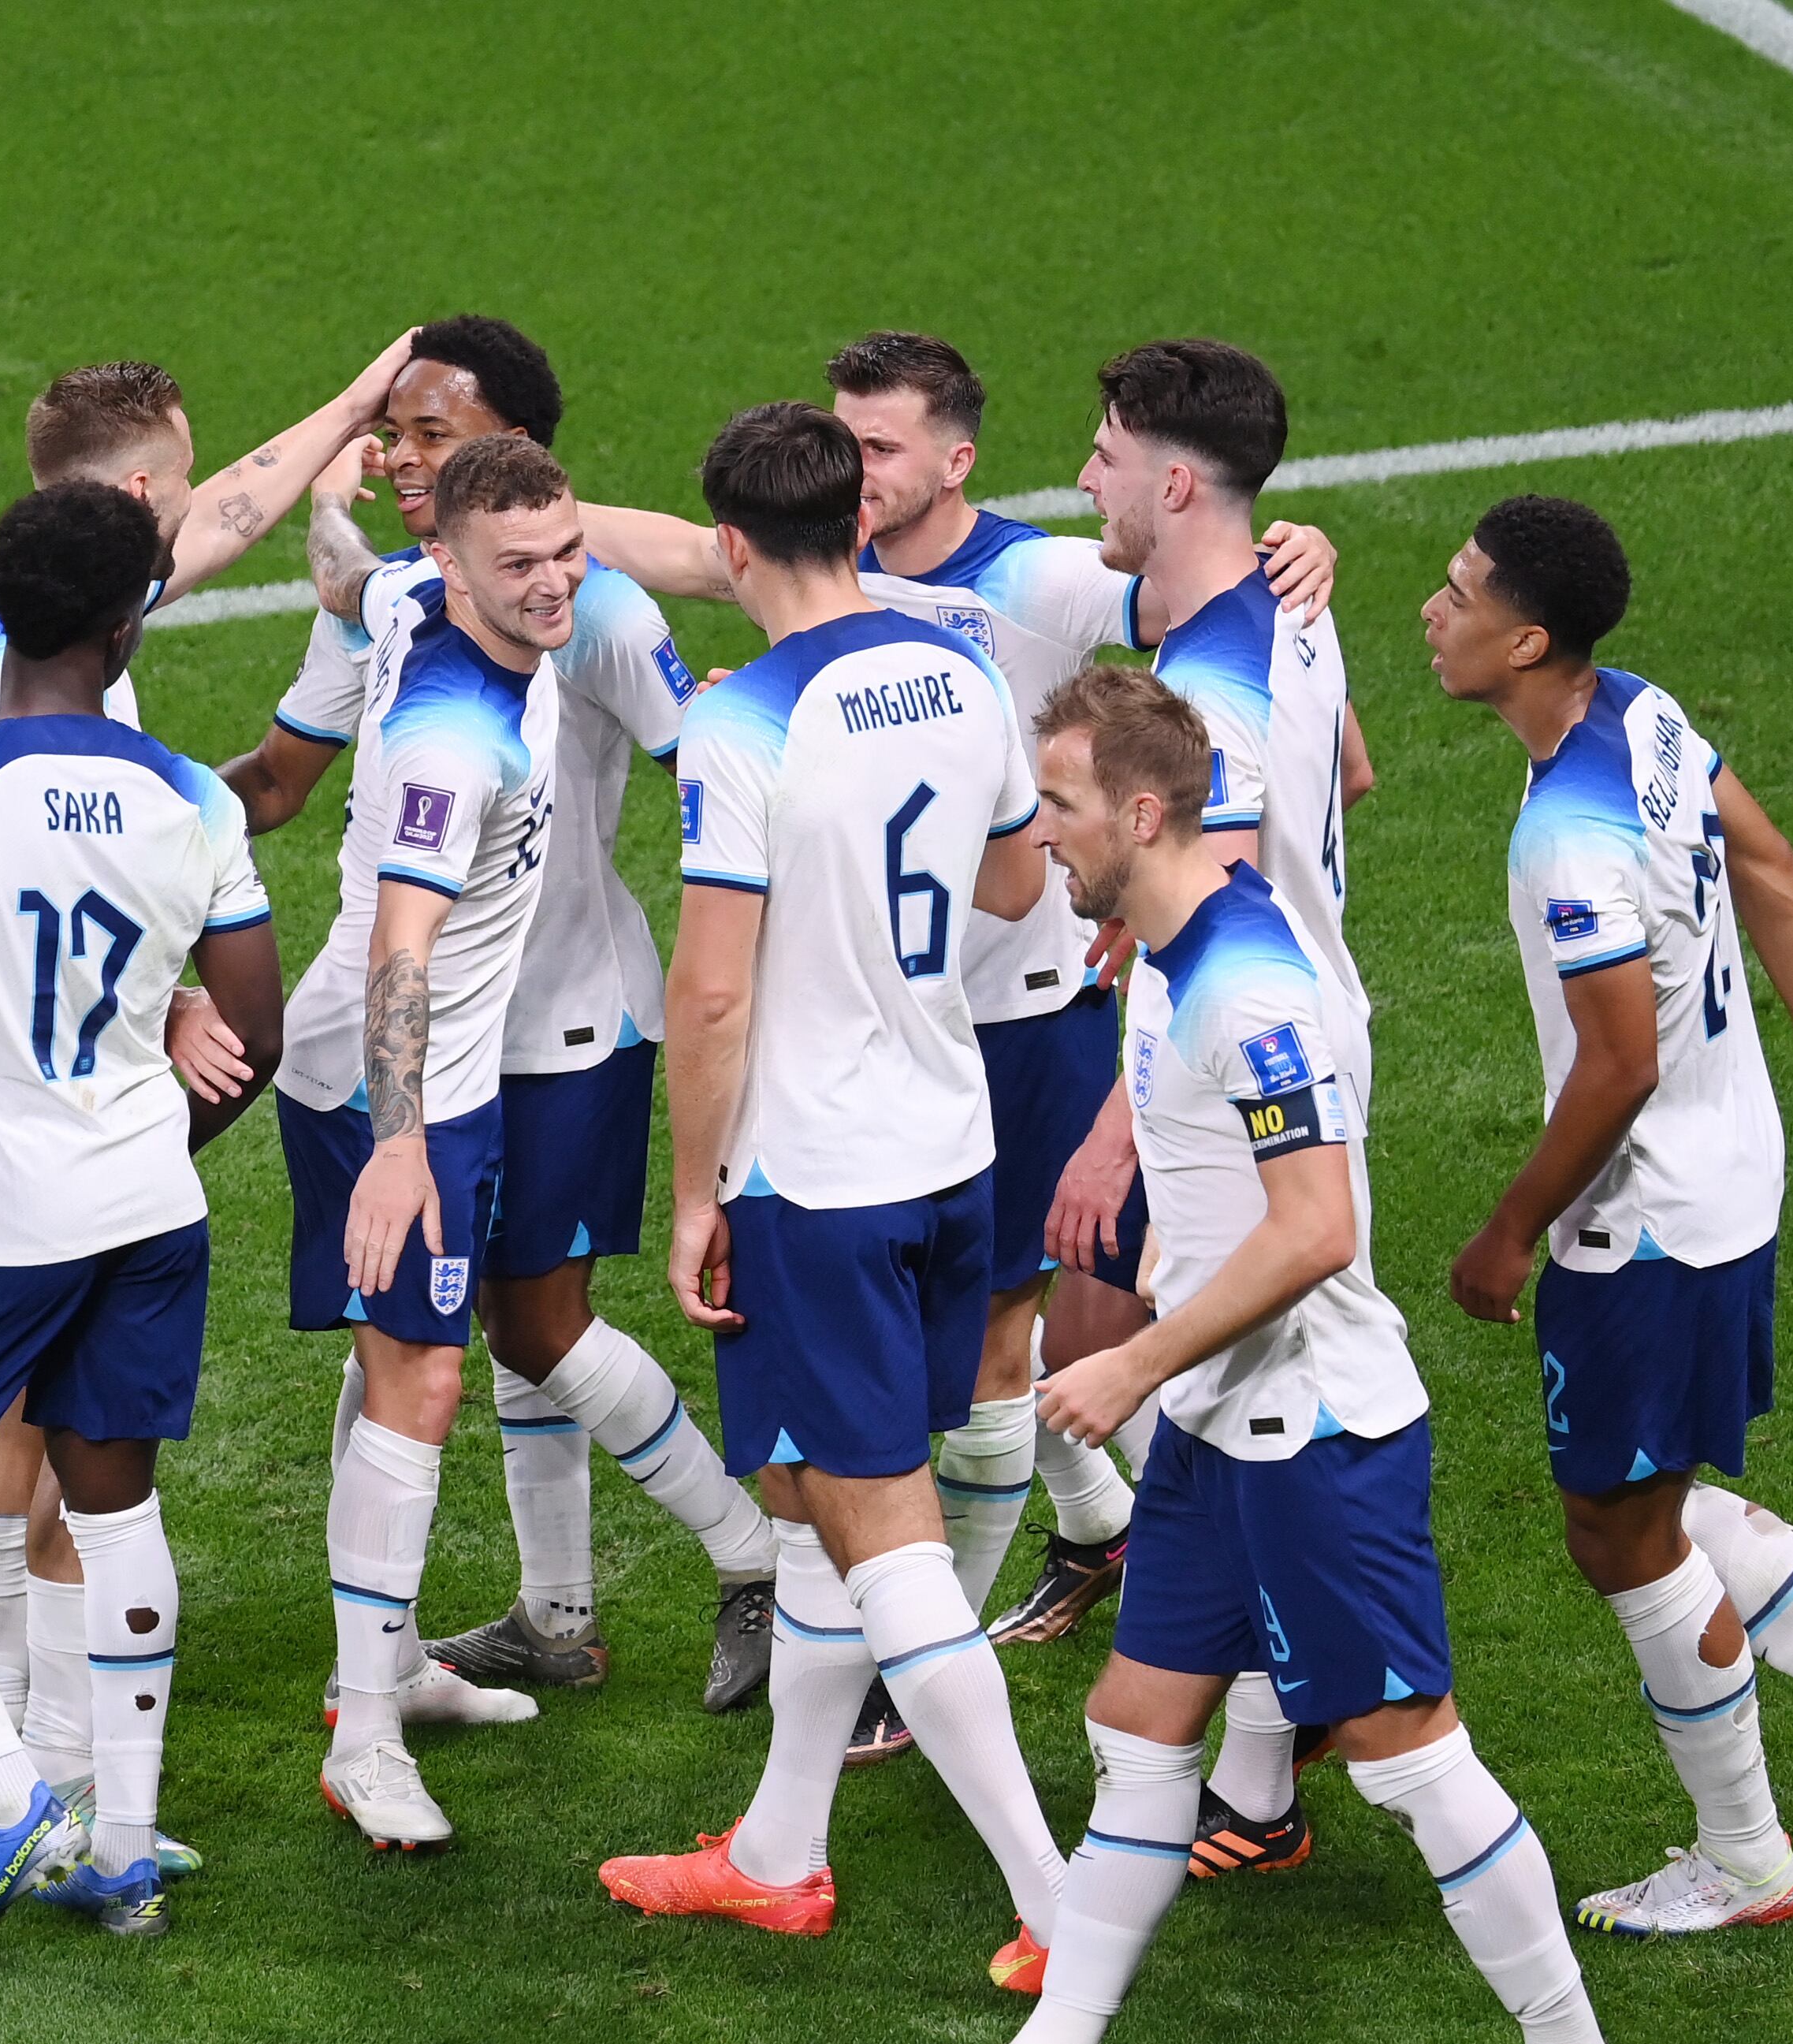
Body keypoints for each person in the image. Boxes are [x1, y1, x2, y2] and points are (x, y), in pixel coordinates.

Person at [841, 666, 1635, 2044]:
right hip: (1225, 1423)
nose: (1039, 826)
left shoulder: (1250, 988)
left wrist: (1134, 1362)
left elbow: (1319, 1226)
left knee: (1411, 1757)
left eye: (1059, 801)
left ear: (1140, 812)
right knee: (1138, 1731)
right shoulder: (1169, 936)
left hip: (1315, 1436)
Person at [571, 333, 1345, 1759]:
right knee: (953, 1378)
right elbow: (679, 546)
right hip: (918, 1034)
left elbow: (1211, 604)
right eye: (842, 444)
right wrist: (532, 521)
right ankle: (1081, 1549)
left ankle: (972, 1655)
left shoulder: (1038, 581)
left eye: (883, 448)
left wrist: (1293, 549)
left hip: (1025, 1030)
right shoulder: (836, 577)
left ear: (955, 461)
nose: (860, 470)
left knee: (1005, 1354)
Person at [1422, 493, 1793, 1932]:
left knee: (1618, 1531)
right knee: (1654, 1499)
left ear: (1526, 638)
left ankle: (1747, 1854)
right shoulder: (1644, 714)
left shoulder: (1573, 826)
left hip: (1648, 1221)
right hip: (1728, 1177)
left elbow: (1619, 1060)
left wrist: (1510, 1228)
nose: (1432, 614)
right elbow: (1772, 870)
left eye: (1457, 596)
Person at [0, 341, 407, 1862]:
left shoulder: (10, 606)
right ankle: (48, 1765)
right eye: (173, 488)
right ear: (135, 497)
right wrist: (185, 993)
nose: (195, 509)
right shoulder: (80, 686)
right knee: (71, 1437)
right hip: (60, 1091)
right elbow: (241, 534)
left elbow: (235, 510)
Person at [594, 403, 1067, 1974]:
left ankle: (1060, 1911)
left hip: (818, 1182)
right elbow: (1012, 880)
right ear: (854, 525)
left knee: (883, 1535)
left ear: (730, 547)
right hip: (949, 1149)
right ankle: (779, 1849)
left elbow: (713, 995)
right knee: (809, 1500)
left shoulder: (739, 727)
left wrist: (690, 1194)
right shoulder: (964, 672)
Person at [250, 318, 779, 1719]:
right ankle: (551, 1617)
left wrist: (761, 699)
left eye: (437, 434)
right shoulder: (418, 591)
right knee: (464, 1325)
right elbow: (354, 585)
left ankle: (751, 1553)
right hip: (450, 1036)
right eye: (401, 433)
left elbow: (700, 758)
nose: (406, 456)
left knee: (535, 1322)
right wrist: (318, 505)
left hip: (556, 1028)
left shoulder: (589, 609)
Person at [0, 479, 285, 1944]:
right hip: (151, 1202)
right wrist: (161, 1137)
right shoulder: (193, 799)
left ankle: (12, 1788)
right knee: (117, 1498)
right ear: (133, 619)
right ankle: (125, 1852)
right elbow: (254, 1033)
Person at [1041, 338, 1375, 1875]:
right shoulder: (1289, 620)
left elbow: (1211, 890)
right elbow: (1354, 778)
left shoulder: (1210, 684)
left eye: (1105, 453)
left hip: (1236, 1071)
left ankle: (1294, 1748)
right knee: (1244, 1382)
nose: (1089, 476)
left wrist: (1116, 1122)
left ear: (1174, 480)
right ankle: (1253, 1778)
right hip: (1300, 1040)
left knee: (1242, 1388)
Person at [274, 433, 590, 1852]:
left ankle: (388, 1657)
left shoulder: (407, 594)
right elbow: (406, 943)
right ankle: (368, 1731)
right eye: (518, 565)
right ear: (459, 564)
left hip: (415, 1082)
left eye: (564, 551)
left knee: (395, 1361)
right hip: (387, 1089)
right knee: (427, 1378)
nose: (553, 584)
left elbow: (347, 581)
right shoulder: (456, 737)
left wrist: (330, 505)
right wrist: (399, 1145)